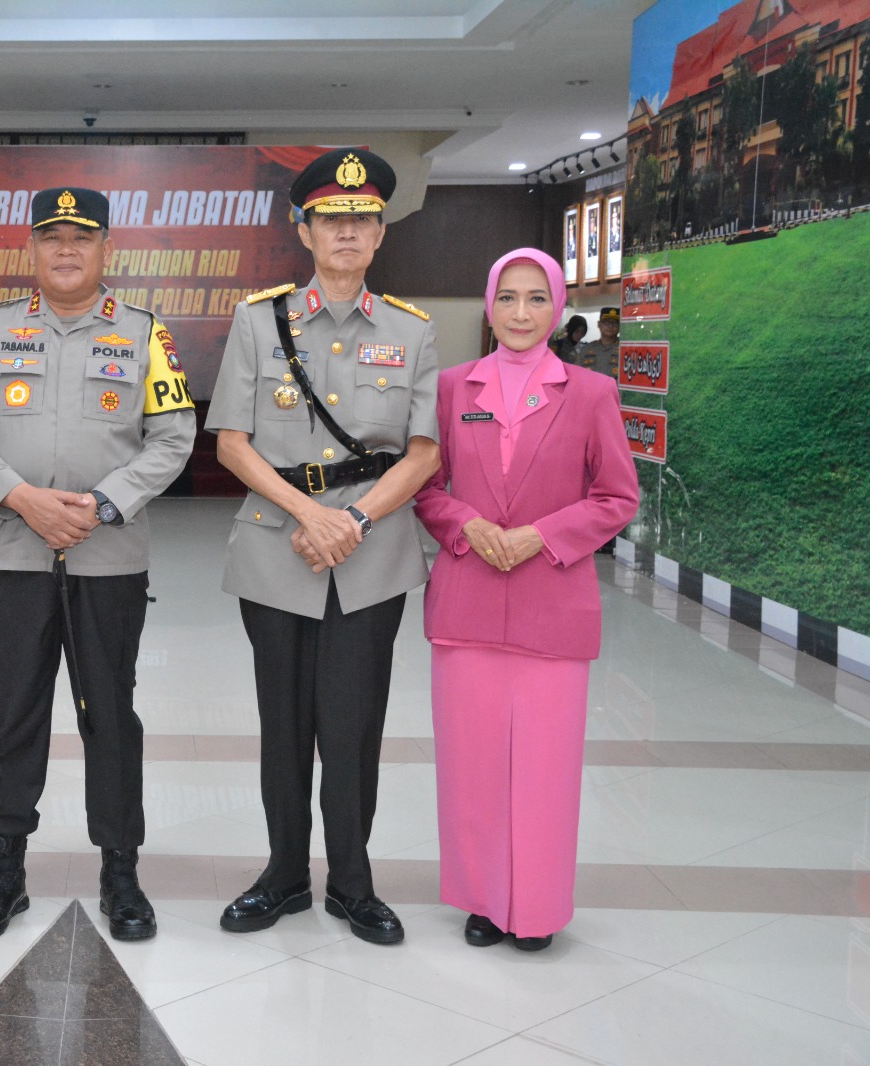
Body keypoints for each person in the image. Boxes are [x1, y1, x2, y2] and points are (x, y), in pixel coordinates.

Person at [0, 187, 195, 941]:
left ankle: (121, 873)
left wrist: (103, 504)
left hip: (108, 558)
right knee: (12, 713)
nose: (65, 249)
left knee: (110, 715)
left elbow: (174, 437)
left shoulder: (146, 332)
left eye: (81, 237)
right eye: (51, 236)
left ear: (105, 248)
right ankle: (5, 871)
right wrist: (24, 499)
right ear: (31, 247)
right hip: (13, 555)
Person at [206, 149, 440, 943]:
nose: (347, 231)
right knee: (283, 725)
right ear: (304, 231)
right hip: (277, 546)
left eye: (362, 219)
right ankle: (282, 875)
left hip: (371, 556)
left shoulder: (411, 331)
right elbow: (231, 443)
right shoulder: (257, 320)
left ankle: (351, 882)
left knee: (353, 725)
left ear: (380, 234)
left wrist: (354, 521)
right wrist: (312, 514)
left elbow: (423, 453)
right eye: (331, 220)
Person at [413, 248, 637, 951]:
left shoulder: (591, 393)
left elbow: (617, 496)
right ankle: (483, 900)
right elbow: (426, 488)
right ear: (488, 305)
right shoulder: (452, 388)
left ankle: (535, 908)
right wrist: (466, 526)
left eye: (536, 298)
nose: (520, 312)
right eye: (507, 297)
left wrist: (542, 535)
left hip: (552, 606)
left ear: (558, 308)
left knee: (544, 771)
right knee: (472, 764)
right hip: (468, 602)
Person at [575, 306, 619, 379]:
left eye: (615, 323)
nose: (610, 326)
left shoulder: (624, 351)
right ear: (599, 324)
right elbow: (576, 374)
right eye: (606, 323)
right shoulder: (586, 350)